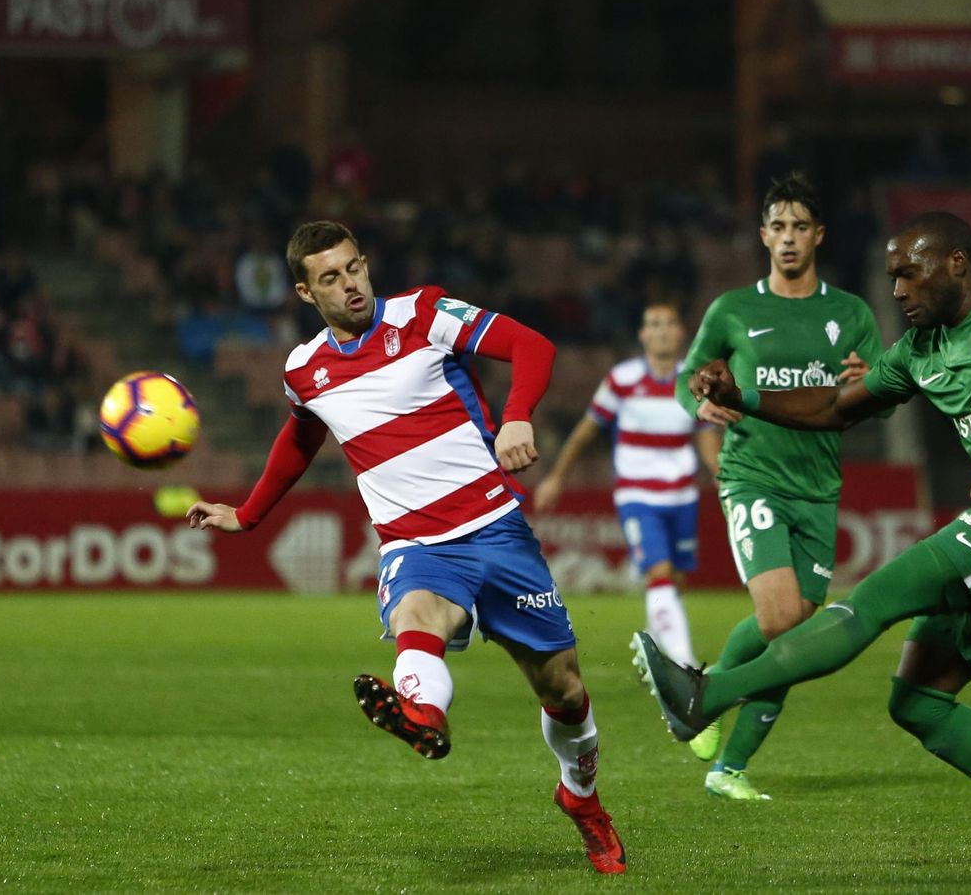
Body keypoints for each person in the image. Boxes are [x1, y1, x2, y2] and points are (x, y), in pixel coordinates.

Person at [633, 211, 971, 890]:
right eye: (892, 275)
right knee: (919, 705)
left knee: (874, 598)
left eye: (909, 272)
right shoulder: (920, 349)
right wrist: (742, 396)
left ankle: (708, 695)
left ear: (956, 263)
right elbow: (836, 407)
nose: (897, 289)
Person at [185, 221, 625, 874]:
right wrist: (247, 516)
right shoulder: (303, 370)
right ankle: (422, 716)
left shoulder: (423, 312)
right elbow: (302, 437)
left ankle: (581, 801)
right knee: (415, 617)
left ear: (365, 264)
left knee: (563, 690)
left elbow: (529, 344)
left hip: (497, 530)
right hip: (414, 543)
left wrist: (518, 416)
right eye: (330, 277)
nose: (350, 284)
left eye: (353, 267)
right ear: (305, 292)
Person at [669, 171, 885, 801]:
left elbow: (883, 400)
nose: (788, 239)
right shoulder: (733, 310)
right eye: (778, 227)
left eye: (800, 227)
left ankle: (720, 747)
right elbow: (690, 375)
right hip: (752, 475)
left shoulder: (850, 314)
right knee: (779, 619)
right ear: (763, 235)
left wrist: (869, 383)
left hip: (818, 486)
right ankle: (710, 713)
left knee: (790, 633)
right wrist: (699, 405)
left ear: (819, 234)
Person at [533, 301, 723, 668]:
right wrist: (557, 477)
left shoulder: (694, 381)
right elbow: (585, 431)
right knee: (660, 572)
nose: (663, 330)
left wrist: (722, 479)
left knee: (675, 580)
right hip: (637, 495)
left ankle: (653, 653)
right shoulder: (622, 380)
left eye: (669, 323)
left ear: (681, 332)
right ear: (643, 334)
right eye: (654, 324)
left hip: (682, 494)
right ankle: (684, 663)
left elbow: (706, 440)